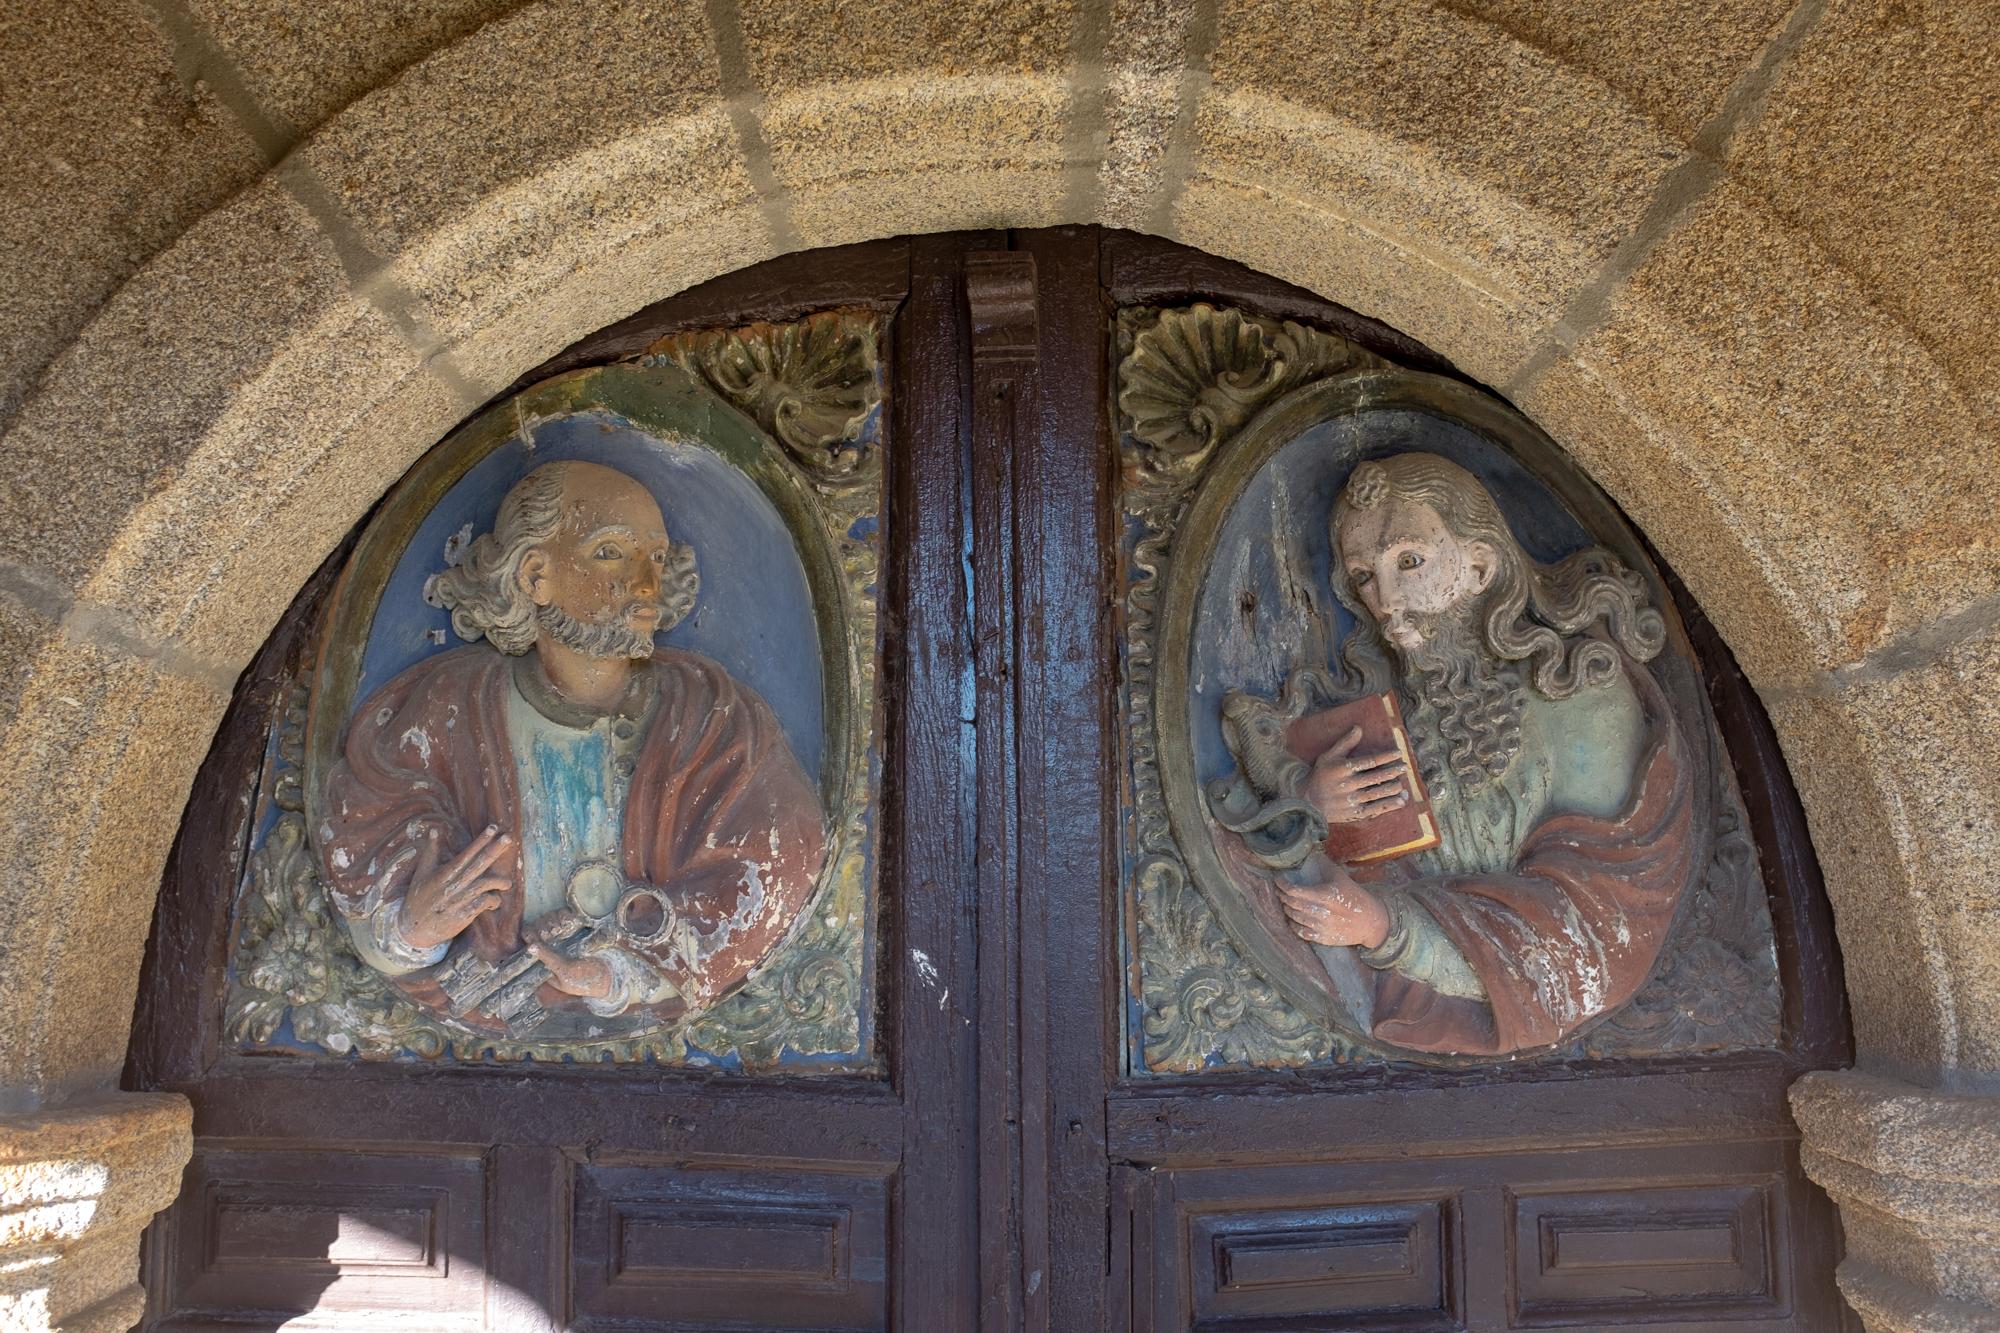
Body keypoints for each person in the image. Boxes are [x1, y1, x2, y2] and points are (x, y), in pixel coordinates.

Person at [314, 460, 826, 1030]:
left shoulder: (714, 714)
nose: (646, 584)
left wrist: (620, 975)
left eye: (655, 558)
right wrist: (412, 928)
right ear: (535, 575)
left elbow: (781, 856)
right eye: (611, 552)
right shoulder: (443, 706)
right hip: (469, 1021)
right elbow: (363, 831)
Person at [1226, 452, 1699, 1055]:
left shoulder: (1579, 689)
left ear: (1479, 565)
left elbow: (1595, 922)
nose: (1386, 600)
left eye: (1411, 561)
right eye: (1364, 576)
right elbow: (1347, 859)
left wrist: (1385, 928)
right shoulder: (1384, 704)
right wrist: (1310, 803)